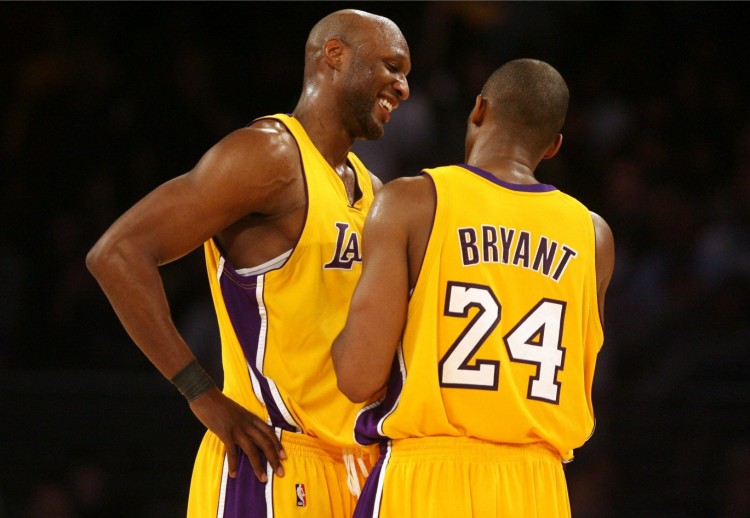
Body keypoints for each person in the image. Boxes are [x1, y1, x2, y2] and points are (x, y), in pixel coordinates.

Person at [86, 9, 410, 517]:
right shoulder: (268, 155)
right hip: (271, 461)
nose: (403, 87)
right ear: (335, 55)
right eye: (392, 66)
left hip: (354, 466)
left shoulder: (374, 192)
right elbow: (117, 253)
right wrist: (201, 394)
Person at [332, 58, 615, 517]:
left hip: (427, 478)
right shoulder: (594, 235)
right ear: (553, 146)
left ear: (479, 109)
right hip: (538, 487)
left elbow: (358, 377)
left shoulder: (411, 202)